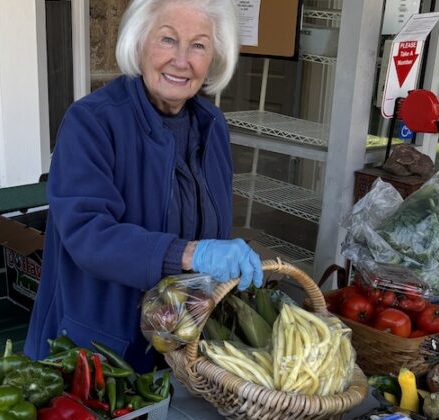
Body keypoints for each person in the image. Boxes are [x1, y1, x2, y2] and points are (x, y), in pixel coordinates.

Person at [24, 0, 263, 371]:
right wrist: (190, 253)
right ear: (139, 43)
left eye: (198, 45)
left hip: (177, 350)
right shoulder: (91, 122)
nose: (182, 60)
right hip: (93, 358)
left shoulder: (211, 125)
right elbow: (88, 236)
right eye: (168, 39)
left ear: (214, 56)